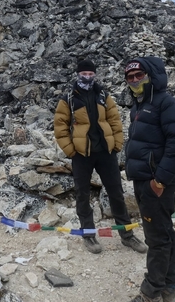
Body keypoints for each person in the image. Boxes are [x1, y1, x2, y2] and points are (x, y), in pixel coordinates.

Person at [54, 59, 146, 255]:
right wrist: (70, 150)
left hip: (106, 153)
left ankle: (127, 235)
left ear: (95, 74)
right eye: (84, 73)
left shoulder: (103, 95)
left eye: (90, 73)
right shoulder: (68, 98)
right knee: (82, 195)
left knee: (116, 193)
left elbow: (114, 120)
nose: (87, 77)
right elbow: (60, 126)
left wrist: (117, 144)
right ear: (78, 74)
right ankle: (88, 235)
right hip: (81, 155)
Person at [122, 57, 175, 302]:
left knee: (156, 238)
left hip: (155, 183)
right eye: (130, 77)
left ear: (151, 75)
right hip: (144, 180)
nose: (135, 80)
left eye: (139, 75)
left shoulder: (167, 104)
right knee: (164, 231)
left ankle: (151, 294)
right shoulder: (139, 106)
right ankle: (171, 286)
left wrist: (159, 181)